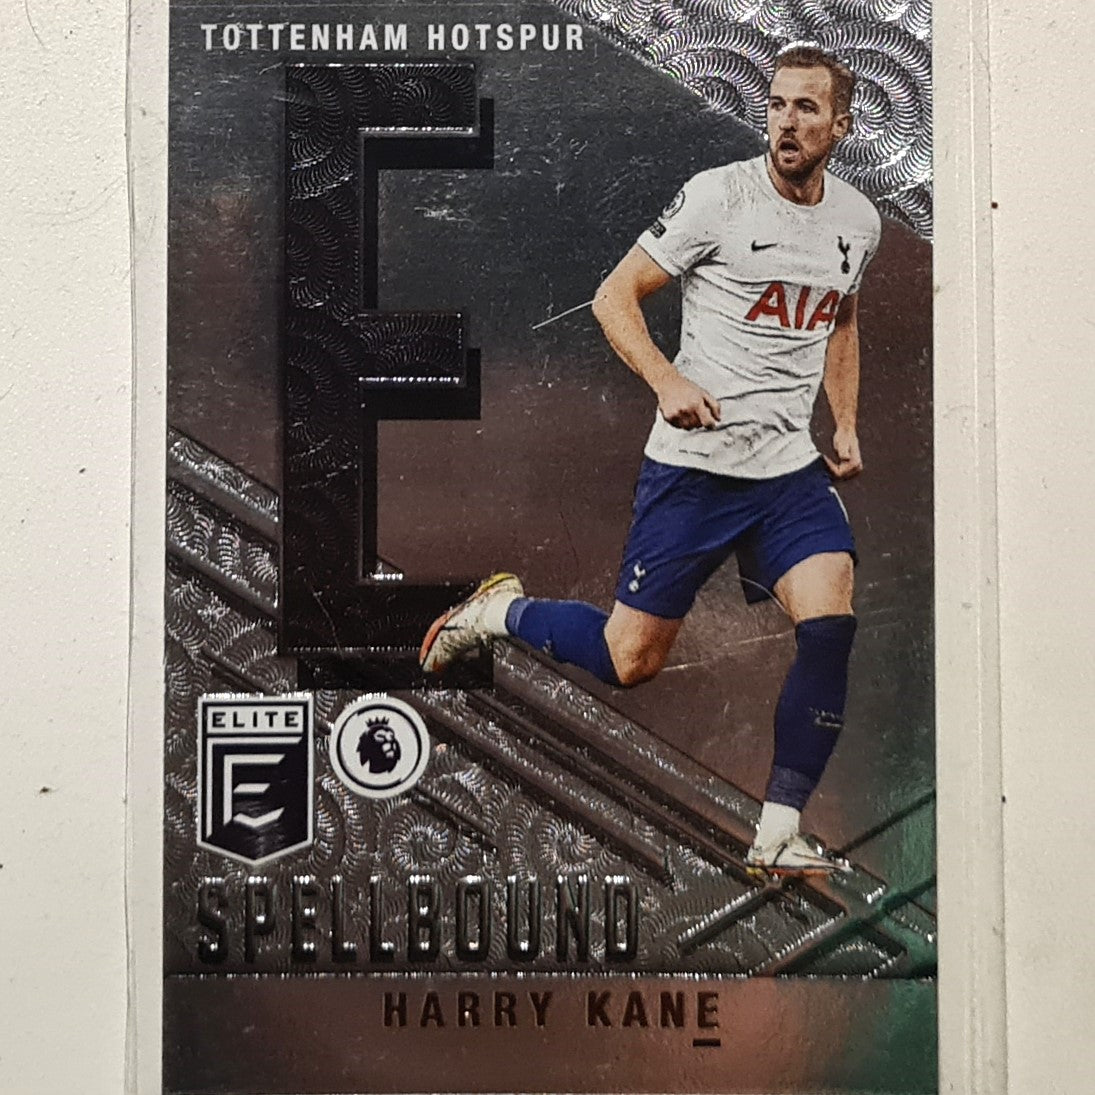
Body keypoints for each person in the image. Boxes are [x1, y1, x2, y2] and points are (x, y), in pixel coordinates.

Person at [419, 45, 882, 877]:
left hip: (785, 471)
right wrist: (666, 380)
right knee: (629, 661)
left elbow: (840, 318)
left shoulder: (857, 221)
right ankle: (496, 613)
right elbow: (613, 296)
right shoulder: (717, 197)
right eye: (776, 105)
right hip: (696, 471)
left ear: (840, 126)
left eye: (806, 109)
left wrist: (842, 421)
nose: (785, 122)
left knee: (830, 623)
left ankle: (776, 833)